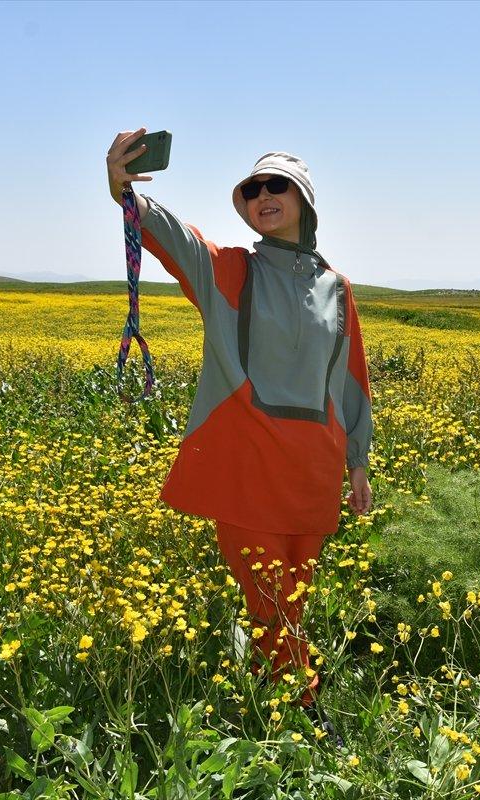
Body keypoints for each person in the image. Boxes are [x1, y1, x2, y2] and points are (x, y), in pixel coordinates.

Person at [104, 130, 373, 719]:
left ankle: (264, 700)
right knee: (269, 596)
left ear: (304, 200)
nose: (264, 195)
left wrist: (358, 461)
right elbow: (179, 240)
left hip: (314, 467)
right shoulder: (227, 270)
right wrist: (127, 193)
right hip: (248, 463)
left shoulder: (337, 287)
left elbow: (351, 377)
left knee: (289, 600)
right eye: (253, 189)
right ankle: (301, 707)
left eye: (278, 186)